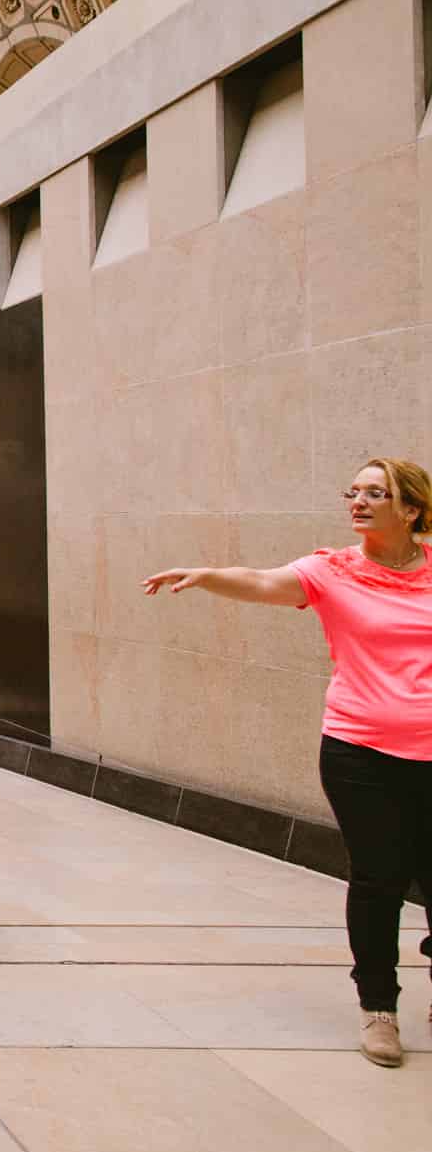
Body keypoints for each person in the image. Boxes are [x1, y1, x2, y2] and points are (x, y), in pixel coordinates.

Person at [143, 456, 432, 1069]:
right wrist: (207, 574)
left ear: (410, 509)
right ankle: (379, 1008)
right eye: (352, 491)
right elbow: (262, 581)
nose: (357, 501)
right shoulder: (332, 571)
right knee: (378, 877)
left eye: (375, 493)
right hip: (360, 749)